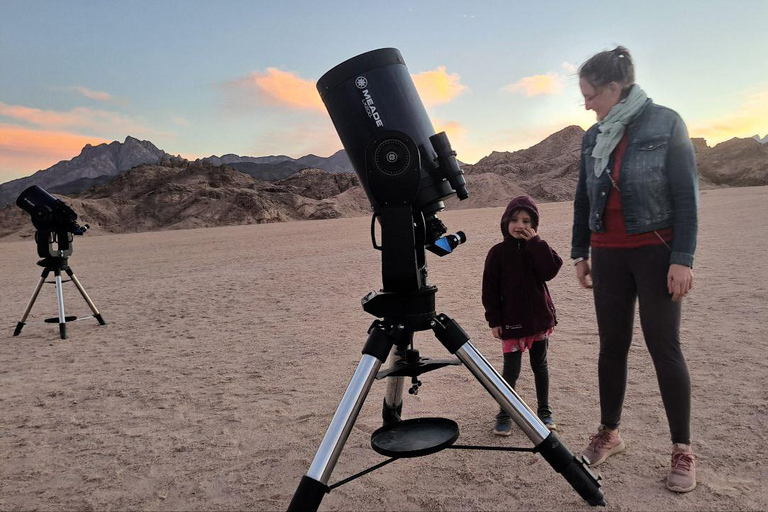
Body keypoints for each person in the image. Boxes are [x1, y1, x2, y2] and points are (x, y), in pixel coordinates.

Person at [571, 46, 698, 493]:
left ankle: (682, 448)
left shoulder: (666, 122)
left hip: (654, 253)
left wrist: (682, 258)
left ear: (614, 87)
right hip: (608, 253)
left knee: (665, 347)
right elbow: (584, 197)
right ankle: (609, 432)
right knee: (612, 345)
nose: (587, 104)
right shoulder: (593, 136)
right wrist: (580, 252)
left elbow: (685, 196)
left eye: (591, 95)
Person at [482, 195, 562, 436]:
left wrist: (536, 243)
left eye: (527, 221)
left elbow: (551, 270)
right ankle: (505, 413)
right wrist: (494, 320)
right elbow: (489, 290)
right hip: (512, 322)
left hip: (539, 321)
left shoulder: (537, 248)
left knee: (540, 366)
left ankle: (544, 411)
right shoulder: (497, 253)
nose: (520, 225)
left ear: (534, 225)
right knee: (511, 371)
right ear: (505, 222)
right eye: (515, 220)